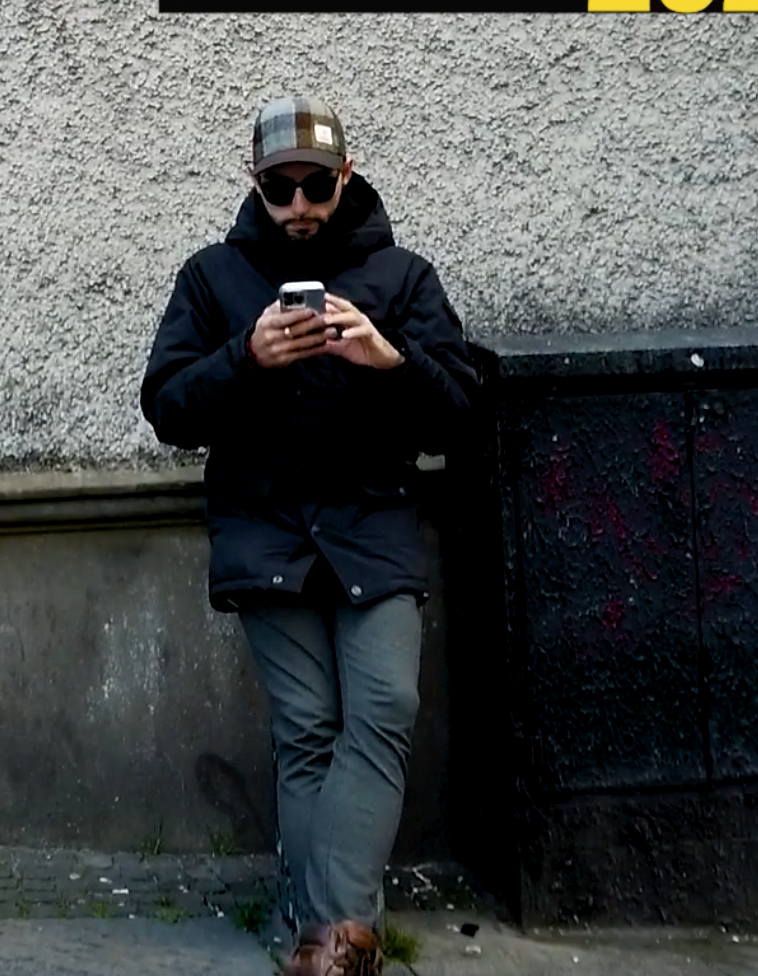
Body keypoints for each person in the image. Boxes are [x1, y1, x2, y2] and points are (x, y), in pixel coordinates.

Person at [140, 96, 479, 976]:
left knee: (385, 708)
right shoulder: (212, 278)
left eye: (316, 186)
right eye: (280, 188)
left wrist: (389, 360)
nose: (299, 206)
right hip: (265, 532)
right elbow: (168, 409)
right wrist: (245, 357)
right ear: (254, 183)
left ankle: (324, 933)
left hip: (373, 527)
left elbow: (461, 414)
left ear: (346, 176)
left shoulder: (403, 278)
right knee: (309, 728)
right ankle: (339, 939)